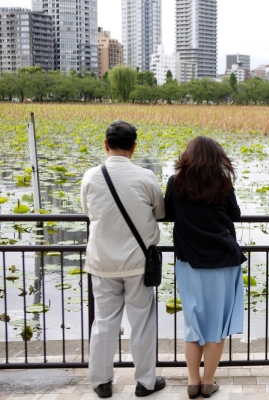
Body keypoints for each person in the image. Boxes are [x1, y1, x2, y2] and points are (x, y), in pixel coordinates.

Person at [81, 121, 166, 398]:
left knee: (104, 321)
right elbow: (161, 213)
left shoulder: (91, 177)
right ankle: (145, 382)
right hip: (138, 263)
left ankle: (101, 381)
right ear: (134, 147)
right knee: (142, 321)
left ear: (105, 145)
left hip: (102, 262)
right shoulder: (146, 177)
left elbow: (87, 211)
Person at [165, 136, 246, 399]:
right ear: (217, 157)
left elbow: (168, 213)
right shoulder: (222, 183)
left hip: (190, 262)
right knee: (216, 324)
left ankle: (192, 382)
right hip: (223, 260)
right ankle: (208, 382)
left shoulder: (176, 183)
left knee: (193, 322)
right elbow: (235, 214)